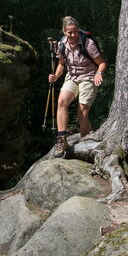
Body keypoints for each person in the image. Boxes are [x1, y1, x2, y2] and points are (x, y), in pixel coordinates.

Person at [48, 16, 107, 157]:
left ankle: (86, 138)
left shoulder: (88, 43)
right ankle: (62, 140)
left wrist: (99, 73)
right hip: (72, 77)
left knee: (81, 113)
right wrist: (56, 76)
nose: (73, 35)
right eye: (69, 32)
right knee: (62, 102)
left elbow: (102, 62)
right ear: (64, 32)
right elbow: (62, 64)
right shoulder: (62, 44)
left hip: (89, 77)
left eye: (75, 32)